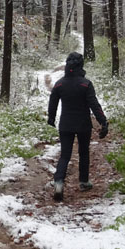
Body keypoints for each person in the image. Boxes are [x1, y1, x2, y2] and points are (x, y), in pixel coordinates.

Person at [47, 52, 108, 201]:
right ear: (81, 65)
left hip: (65, 124)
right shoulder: (85, 84)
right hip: (83, 124)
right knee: (83, 153)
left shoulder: (60, 84)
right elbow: (94, 104)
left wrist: (51, 118)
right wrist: (103, 121)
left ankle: (59, 182)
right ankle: (83, 181)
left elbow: (52, 102)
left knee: (65, 155)